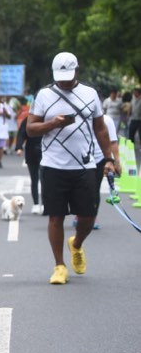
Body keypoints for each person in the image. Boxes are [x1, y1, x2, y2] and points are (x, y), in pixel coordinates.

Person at [26, 52, 116, 285]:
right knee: (55, 217)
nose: (64, 81)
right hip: (53, 166)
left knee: (87, 216)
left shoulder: (90, 94)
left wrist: (109, 159)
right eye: (59, 77)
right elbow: (31, 129)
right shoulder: (44, 95)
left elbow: (101, 128)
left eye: (68, 76)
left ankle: (76, 244)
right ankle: (59, 265)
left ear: (77, 71)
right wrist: (53, 123)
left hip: (84, 165)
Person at [15, 117, 43, 214]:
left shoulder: (50, 118)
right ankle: (35, 204)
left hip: (48, 152)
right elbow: (22, 133)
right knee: (34, 179)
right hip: (32, 151)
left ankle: (44, 204)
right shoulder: (28, 119)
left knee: (45, 179)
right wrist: (19, 147)